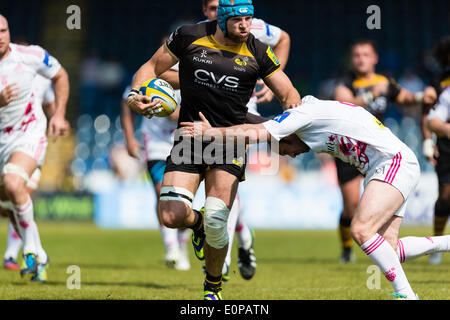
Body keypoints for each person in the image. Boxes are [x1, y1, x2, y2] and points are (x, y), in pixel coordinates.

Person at [180, 95, 450, 300]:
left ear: (286, 134)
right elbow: (258, 125)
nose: (293, 155)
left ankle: (407, 295)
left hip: (392, 162)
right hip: (389, 165)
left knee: (360, 230)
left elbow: (259, 131)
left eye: (285, 150)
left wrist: (212, 132)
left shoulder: (302, 115)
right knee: (389, 251)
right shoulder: (309, 122)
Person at [126, 0, 301, 300]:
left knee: (218, 216)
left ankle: (212, 287)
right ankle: (198, 225)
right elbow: (151, 68)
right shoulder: (188, 36)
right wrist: (135, 96)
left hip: (230, 140)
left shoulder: (258, 50)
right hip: (189, 138)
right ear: (222, 20)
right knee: (170, 216)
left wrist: (289, 126)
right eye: (238, 21)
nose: (245, 26)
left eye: (249, 19)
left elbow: (289, 94)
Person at [334, 39, 436, 263]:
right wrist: (372, 95)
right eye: (357, 55)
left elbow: (405, 98)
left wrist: (422, 97)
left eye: (365, 54)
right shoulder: (345, 81)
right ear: (352, 59)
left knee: (373, 202)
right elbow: (345, 103)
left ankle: (380, 244)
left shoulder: (384, 81)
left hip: (378, 152)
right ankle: (346, 249)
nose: (361, 59)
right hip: (348, 151)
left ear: (375, 58)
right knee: (351, 209)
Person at [0, 15, 70, 281]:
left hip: (28, 134)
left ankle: (27, 250)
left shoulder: (31, 56)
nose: (0, 36)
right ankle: (39, 253)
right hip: (1, 140)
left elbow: (60, 74)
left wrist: (59, 114)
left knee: (14, 183)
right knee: (7, 204)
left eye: (4, 30)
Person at [121, 69, 192, 271]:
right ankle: (171, 247)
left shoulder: (193, 73)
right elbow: (127, 102)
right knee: (161, 193)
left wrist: (176, 113)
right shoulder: (147, 75)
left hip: (184, 141)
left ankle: (182, 244)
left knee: (183, 197)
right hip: (155, 143)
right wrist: (128, 138)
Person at [2, 72, 57, 272]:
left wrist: (58, 118)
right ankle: (40, 255)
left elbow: (51, 105)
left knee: (17, 191)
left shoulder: (42, 78)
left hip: (31, 145)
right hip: (7, 146)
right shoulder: (6, 77)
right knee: (9, 207)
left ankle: (17, 253)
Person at [425, 36, 450, 265]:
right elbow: (430, 118)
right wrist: (428, 140)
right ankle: (436, 244)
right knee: (445, 197)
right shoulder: (440, 84)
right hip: (446, 146)